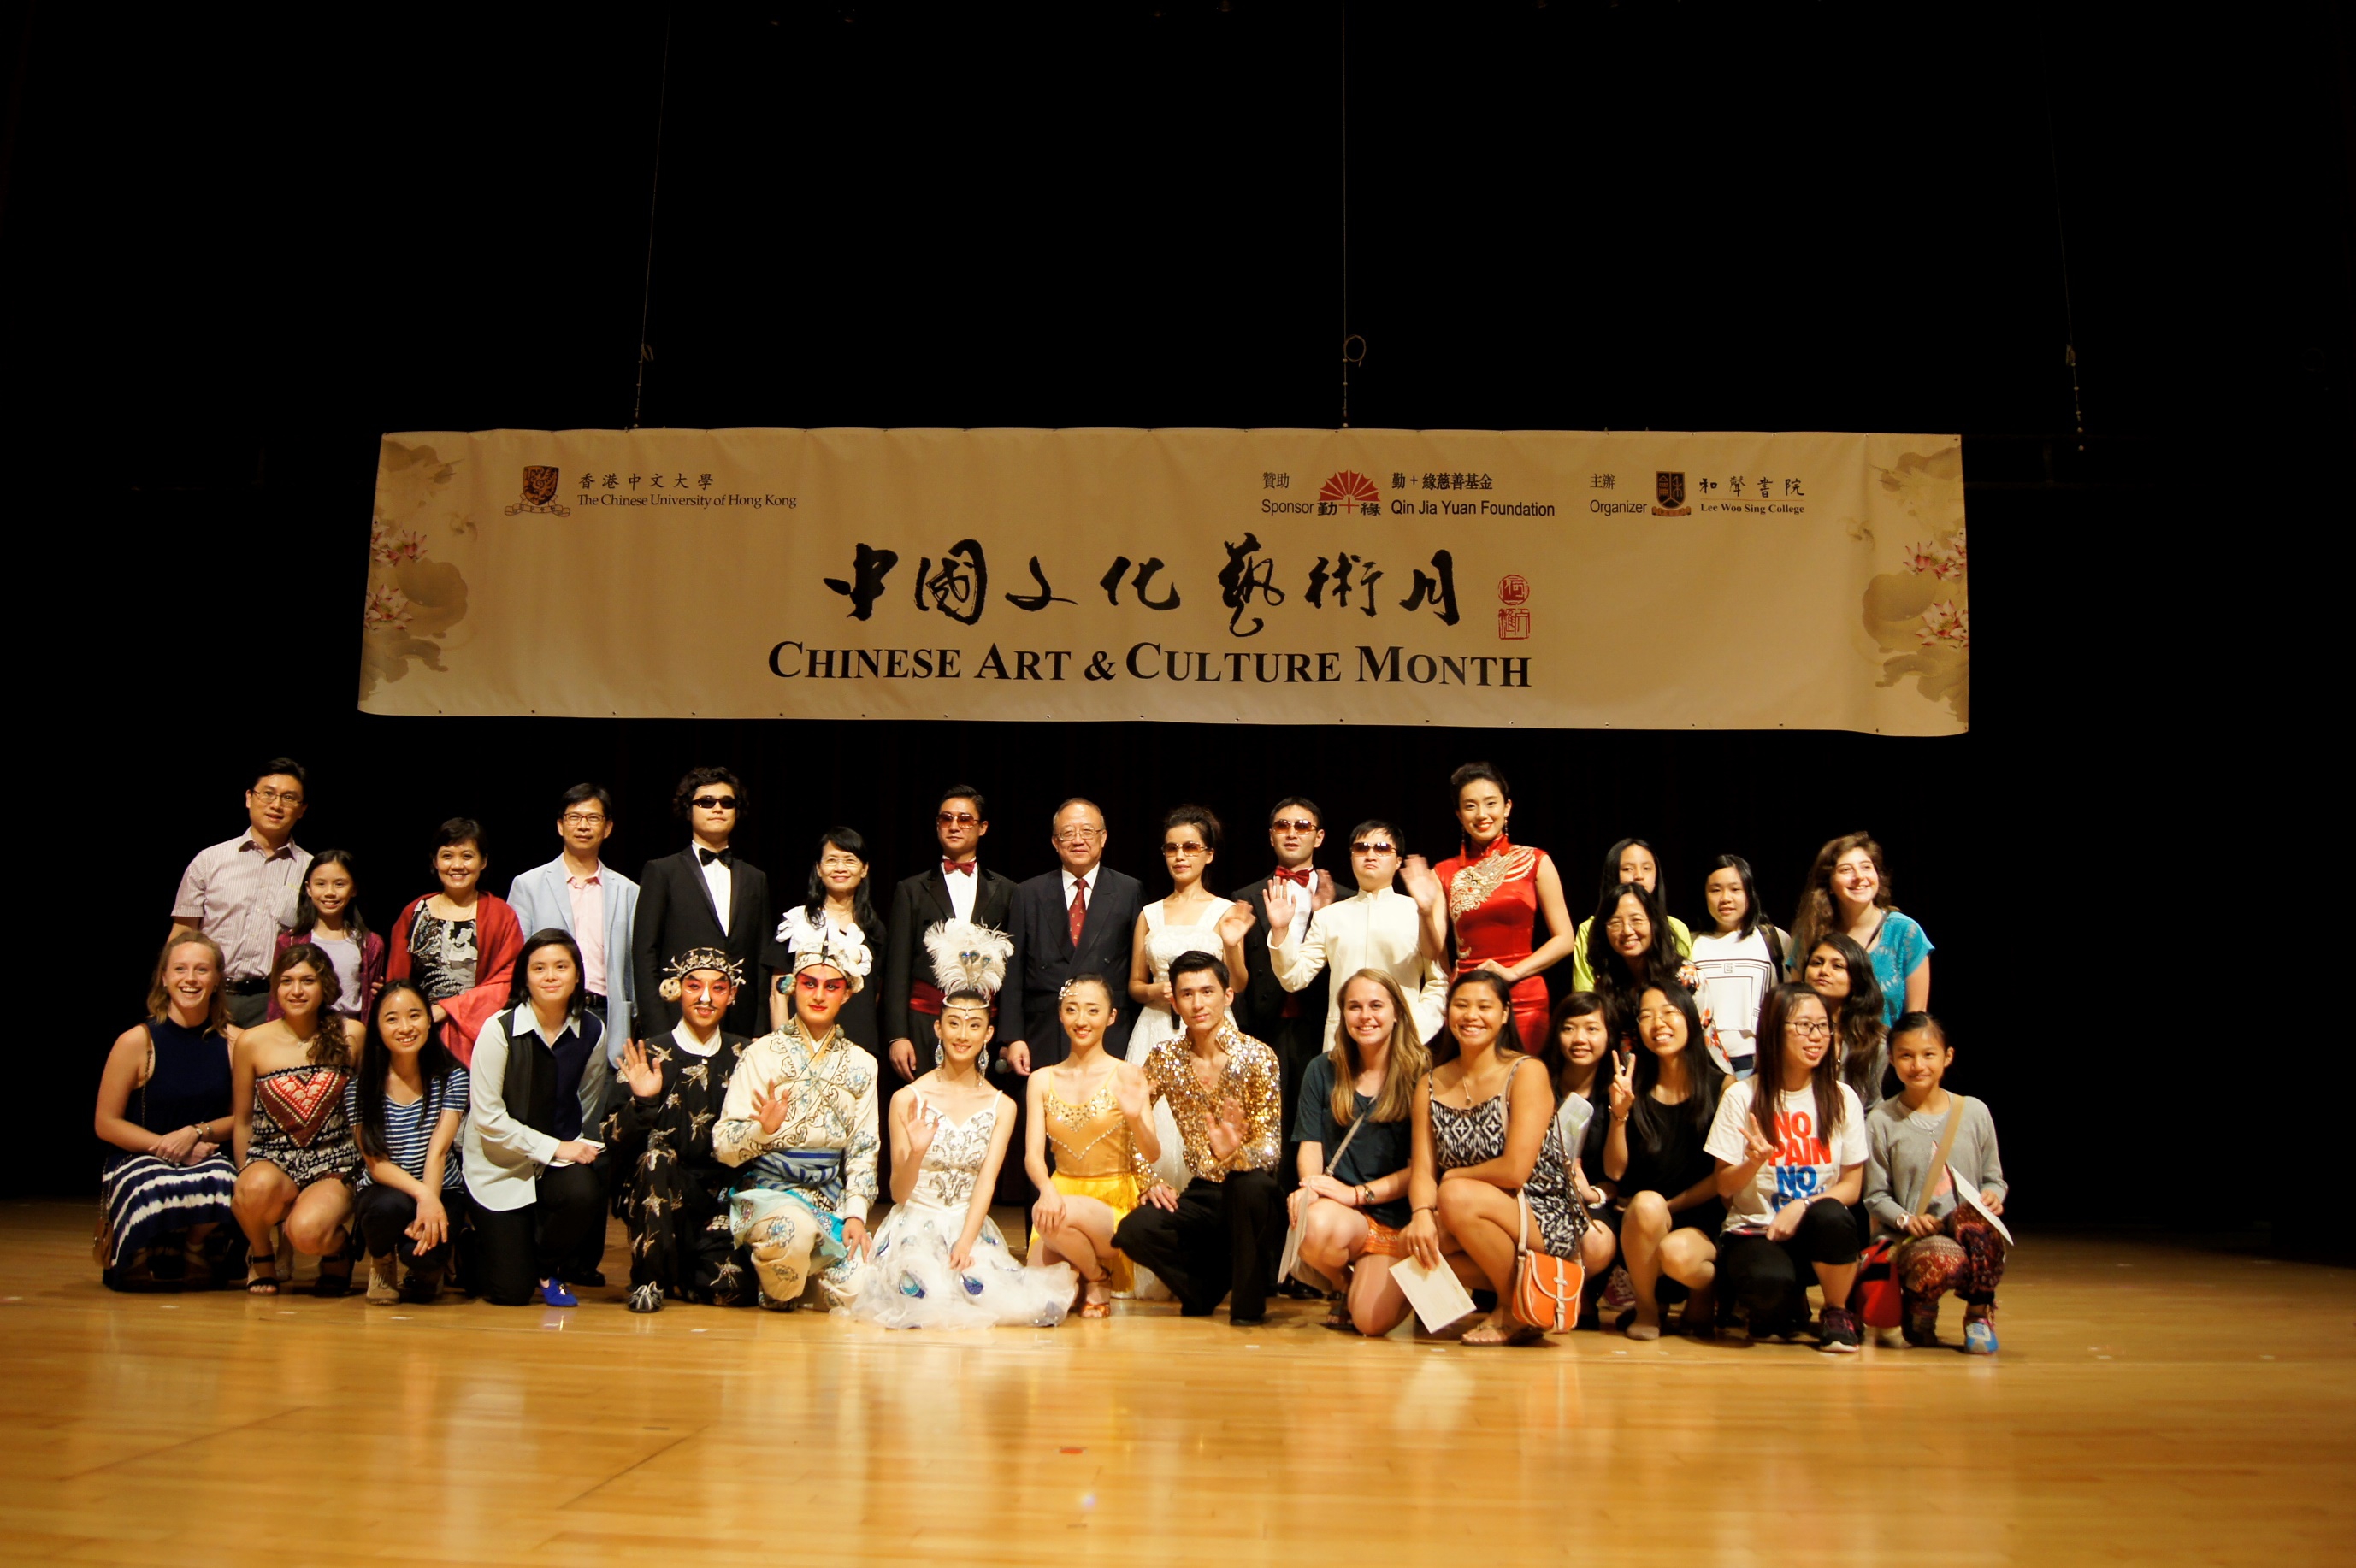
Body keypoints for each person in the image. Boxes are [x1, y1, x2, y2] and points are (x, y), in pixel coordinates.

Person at [850, 923, 1078, 1328]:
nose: (963, 1034)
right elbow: (898, 1191)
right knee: (925, 1290)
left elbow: (987, 1181)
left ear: (989, 1034)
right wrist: (915, 1154)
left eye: (974, 1025)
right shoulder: (907, 1099)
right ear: (938, 1028)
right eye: (954, 1023)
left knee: (985, 1288)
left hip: (969, 1223)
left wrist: (967, 1240)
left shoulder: (1002, 1105)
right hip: (913, 1226)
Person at [1402, 970, 1587, 1346]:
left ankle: (1514, 1308)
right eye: (1461, 1005)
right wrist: (1421, 1214)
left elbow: (1515, 1171)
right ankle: (1531, 1293)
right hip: (1474, 1211)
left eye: (1485, 1007)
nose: (1472, 1015)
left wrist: (1454, 1179)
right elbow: (1422, 1171)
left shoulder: (1526, 1071)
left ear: (1504, 1015)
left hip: (1541, 1210)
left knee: (1454, 1196)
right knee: (1416, 1244)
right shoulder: (1431, 1083)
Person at [715, 911, 879, 1310]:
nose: (819, 995)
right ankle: (782, 1284)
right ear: (792, 988)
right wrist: (761, 1131)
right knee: (795, 1233)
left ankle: (799, 1278)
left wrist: (856, 1214)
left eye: (830, 986)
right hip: (771, 1195)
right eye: (809, 984)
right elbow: (722, 1146)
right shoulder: (762, 1054)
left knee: (862, 1290)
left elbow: (863, 1149)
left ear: (847, 993)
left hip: (829, 1199)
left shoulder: (862, 1064)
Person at [1114, 952, 1287, 1324]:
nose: (1198, 1003)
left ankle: (1247, 1309)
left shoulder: (1258, 1056)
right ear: (1174, 1002)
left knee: (1249, 1189)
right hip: (1204, 1191)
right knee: (1134, 1230)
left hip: (1253, 1190)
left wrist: (1230, 1155)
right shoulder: (1164, 1057)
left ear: (1227, 996)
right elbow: (1133, 1122)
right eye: (1187, 994)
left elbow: (1270, 1149)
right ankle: (1204, 1287)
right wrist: (1147, 1180)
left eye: (1207, 991)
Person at [1705, 981, 1869, 1352]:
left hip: (1815, 1232)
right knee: (1768, 1292)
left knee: (1831, 1213)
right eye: (1803, 1026)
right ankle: (1784, 1299)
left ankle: (1836, 1311)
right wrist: (1754, 1161)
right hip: (1756, 1231)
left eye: (1823, 1026)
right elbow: (1725, 1187)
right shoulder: (1742, 1096)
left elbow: (1852, 1184)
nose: (1816, 1036)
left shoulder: (1842, 1098)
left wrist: (1804, 1205)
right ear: (1774, 1031)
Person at [461, 931, 614, 1307]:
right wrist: (555, 1146)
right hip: (500, 1163)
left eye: (561, 967)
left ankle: (546, 1266)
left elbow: (589, 1097)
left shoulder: (593, 1029)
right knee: (509, 1293)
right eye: (539, 968)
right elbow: (487, 1119)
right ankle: (472, 1244)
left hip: (554, 1160)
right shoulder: (499, 1030)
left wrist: (568, 1146)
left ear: (578, 975)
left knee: (586, 1187)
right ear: (524, 977)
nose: (550, 976)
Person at [602, 947, 756, 1312]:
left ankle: (678, 1271)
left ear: (732, 995)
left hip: (718, 1198)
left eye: (718, 988)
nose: (705, 998)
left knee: (735, 1290)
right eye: (694, 986)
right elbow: (611, 1136)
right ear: (677, 990)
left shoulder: (746, 1054)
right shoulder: (649, 1052)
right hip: (657, 1191)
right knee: (656, 1159)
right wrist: (642, 1104)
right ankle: (650, 1278)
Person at [93, 933, 243, 1290]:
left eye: (201, 970)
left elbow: (243, 1117)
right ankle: (136, 1252)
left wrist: (196, 1134)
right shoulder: (137, 1041)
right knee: (146, 1183)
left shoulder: (235, 1042)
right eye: (180, 969)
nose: (190, 979)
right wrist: (169, 1146)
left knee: (228, 1181)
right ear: (164, 977)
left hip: (204, 1152)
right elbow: (106, 1123)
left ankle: (196, 1249)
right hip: (139, 1153)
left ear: (217, 979)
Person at [1289, 970, 1428, 1336]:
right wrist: (1310, 1188)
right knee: (1310, 1222)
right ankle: (1343, 1284)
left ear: (1397, 1012)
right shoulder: (1322, 1069)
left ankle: (1399, 1282)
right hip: (1343, 1213)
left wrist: (1358, 1194)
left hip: (1397, 1216)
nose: (1365, 1016)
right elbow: (1311, 1145)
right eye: (1354, 1007)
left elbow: (1423, 1171)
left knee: (1368, 1323)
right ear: (1343, 1014)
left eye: (1376, 1005)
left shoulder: (1423, 1074)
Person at [1125, 805, 1255, 1193]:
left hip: (1209, 1031)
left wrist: (1231, 947)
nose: (1180, 856)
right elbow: (1135, 983)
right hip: (1156, 1028)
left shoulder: (1224, 911)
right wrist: (1155, 992)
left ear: (1208, 854)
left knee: (1209, 1126)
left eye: (1190, 848)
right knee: (1153, 1126)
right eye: (1171, 849)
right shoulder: (1149, 913)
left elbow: (1241, 983)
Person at [1411, 763, 1579, 1051]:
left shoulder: (1536, 861)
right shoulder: (1443, 872)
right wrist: (1425, 912)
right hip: (1468, 998)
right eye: (1470, 806)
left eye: (1491, 803)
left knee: (1523, 1083)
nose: (1482, 814)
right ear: (1459, 815)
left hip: (1524, 995)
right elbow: (1431, 950)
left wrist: (1514, 972)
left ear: (1507, 807)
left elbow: (1565, 940)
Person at [1865, 1013, 2008, 1353]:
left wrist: (1994, 1195)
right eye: (1906, 1055)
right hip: (1916, 1236)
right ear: (1892, 1060)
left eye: (1928, 1054)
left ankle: (1978, 1315)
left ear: (1947, 1057)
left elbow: (1994, 1178)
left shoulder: (1974, 1112)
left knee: (1981, 1222)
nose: (1918, 1065)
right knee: (1941, 1259)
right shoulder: (1881, 1120)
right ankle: (1920, 1308)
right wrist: (1906, 1219)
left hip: (1968, 1231)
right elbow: (1875, 1195)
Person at [231, 942, 366, 1295]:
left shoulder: (352, 1034)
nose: (296, 990)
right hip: (272, 1157)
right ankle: (261, 1255)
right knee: (251, 1190)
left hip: (334, 1162)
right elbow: (243, 1118)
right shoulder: (251, 1042)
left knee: (305, 1231)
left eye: (307, 981)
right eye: (287, 981)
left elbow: (365, 1110)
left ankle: (337, 1251)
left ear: (325, 986)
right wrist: (246, 1173)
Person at [1024, 974, 1160, 1318]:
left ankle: (1098, 1278)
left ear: (1111, 1017)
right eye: (1072, 1010)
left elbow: (1153, 1153)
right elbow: (1033, 1156)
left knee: (1055, 1218)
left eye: (1092, 1011)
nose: (1081, 1021)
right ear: (1060, 1015)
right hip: (1058, 1198)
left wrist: (1135, 1118)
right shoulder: (1042, 1079)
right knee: (1042, 1304)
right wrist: (1046, 1190)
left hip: (1112, 1202)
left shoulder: (1128, 1074)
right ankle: (1090, 1273)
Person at [1266, 819, 1448, 1067]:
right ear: (1351, 858)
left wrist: (1415, 1027)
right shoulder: (1329, 916)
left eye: (1382, 848)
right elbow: (1293, 977)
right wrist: (1280, 930)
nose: (1370, 854)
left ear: (1397, 862)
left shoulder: (1417, 911)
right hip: (1343, 1045)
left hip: (1403, 1047)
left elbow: (1439, 982)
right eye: (1361, 848)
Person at [1601, 984, 1727, 1338]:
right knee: (1646, 1205)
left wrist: (1670, 1206)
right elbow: (1614, 1170)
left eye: (1669, 1012)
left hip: (1701, 1220)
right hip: (1643, 1225)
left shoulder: (1724, 1087)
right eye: (1646, 1016)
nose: (1658, 1023)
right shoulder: (1630, 1086)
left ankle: (1704, 1290)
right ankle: (1646, 1309)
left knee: (1673, 1246)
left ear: (1690, 1018)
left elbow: (1722, 1177)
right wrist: (1619, 1115)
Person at [1229, 798, 1337, 1189]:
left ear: (1319, 836)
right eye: (1282, 825)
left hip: (1320, 1028)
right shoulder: (1246, 894)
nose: (1292, 832)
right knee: (1265, 1136)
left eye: (1303, 826)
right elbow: (1238, 975)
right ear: (1270, 835)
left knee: (1316, 1130)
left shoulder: (1340, 895)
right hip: (1264, 1029)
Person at [880, 786, 1020, 1083]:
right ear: (937, 825)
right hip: (923, 1022)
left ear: (982, 828)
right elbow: (896, 969)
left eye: (965, 819)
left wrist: (1008, 1038)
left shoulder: (1008, 891)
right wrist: (897, 1036)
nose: (954, 826)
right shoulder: (911, 890)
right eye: (946, 819)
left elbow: (1014, 974)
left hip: (984, 1025)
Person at [345, 981, 468, 1304]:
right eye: (392, 1019)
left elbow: (439, 1149)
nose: (405, 1027)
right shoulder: (360, 1087)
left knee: (424, 1254)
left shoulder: (452, 1076)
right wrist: (422, 1195)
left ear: (429, 1019)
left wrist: (431, 1199)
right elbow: (375, 1162)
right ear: (377, 1027)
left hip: (441, 1184)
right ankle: (382, 1260)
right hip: (388, 1189)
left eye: (414, 1016)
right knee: (390, 1206)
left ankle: (428, 1267)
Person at [169, 758, 313, 1029]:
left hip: (273, 1002)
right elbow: (182, 934)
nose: (276, 805)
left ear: (302, 809)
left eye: (289, 798)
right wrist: (167, 992)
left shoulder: (312, 871)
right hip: (208, 995)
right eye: (268, 794)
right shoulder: (209, 860)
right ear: (249, 798)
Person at [633, 767, 773, 1040]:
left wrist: (759, 1030)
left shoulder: (756, 879)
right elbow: (644, 953)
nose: (717, 808)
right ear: (689, 809)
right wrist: (658, 1029)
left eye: (727, 802)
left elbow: (761, 959)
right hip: (676, 1021)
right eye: (706, 802)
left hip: (739, 1026)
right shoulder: (662, 872)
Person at [506, 783, 641, 1046]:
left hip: (606, 1016)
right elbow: (515, 958)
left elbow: (633, 967)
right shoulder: (527, 885)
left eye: (593, 818)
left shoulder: (629, 891)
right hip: (545, 1014)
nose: (583, 826)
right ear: (560, 825)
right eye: (574, 817)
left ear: (608, 828)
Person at [387, 818, 525, 1067]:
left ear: (483, 862)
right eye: (447, 856)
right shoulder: (415, 913)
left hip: (478, 1038)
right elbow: (397, 982)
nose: (457, 865)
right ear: (435, 862)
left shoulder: (501, 915)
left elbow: (509, 980)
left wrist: (449, 1009)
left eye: (467, 856)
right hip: (418, 1035)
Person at [1790, 831, 1932, 1026]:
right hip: (1822, 1052)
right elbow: (1795, 1007)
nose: (1859, 877)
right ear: (1829, 884)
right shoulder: (1810, 932)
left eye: (1866, 867)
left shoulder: (1905, 932)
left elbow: (1916, 1020)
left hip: (1885, 1054)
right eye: (1846, 870)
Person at [1533, 992, 1621, 1303]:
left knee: (1597, 1240)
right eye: (1568, 1028)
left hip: (1595, 1200)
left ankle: (1571, 1297)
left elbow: (1620, 1175)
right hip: (1533, 1194)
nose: (1579, 1038)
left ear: (1609, 1034)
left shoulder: (1618, 1090)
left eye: (1592, 1029)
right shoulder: (1536, 1081)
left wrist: (1593, 1193)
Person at [768, 829, 886, 1052]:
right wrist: (784, 1050)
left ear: (864, 869)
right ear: (818, 869)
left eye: (850, 860)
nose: (840, 868)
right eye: (832, 860)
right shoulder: (797, 923)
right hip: (802, 1045)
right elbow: (778, 993)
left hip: (858, 1048)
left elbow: (876, 994)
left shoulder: (875, 930)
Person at [1686, 854, 1786, 1079]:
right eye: (1715, 890)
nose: (1725, 898)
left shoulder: (1774, 939)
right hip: (1705, 1069)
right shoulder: (1691, 943)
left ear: (1750, 893)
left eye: (1735, 889)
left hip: (1761, 1066)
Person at [267, 850, 383, 1024]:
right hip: (301, 1032)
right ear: (309, 889)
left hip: (350, 1034)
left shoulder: (370, 944)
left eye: (339, 884)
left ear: (354, 889)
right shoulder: (289, 942)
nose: (330, 892)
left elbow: (371, 1003)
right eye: (321, 884)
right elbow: (277, 1000)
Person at [1568, 839, 1696, 992]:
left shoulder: (1675, 927)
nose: (1639, 876)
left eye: (1647, 868)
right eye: (1628, 869)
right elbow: (1585, 996)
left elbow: (1686, 989)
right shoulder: (1590, 929)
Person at [1585, 881, 1693, 1046]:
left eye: (1636, 920)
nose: (1627, 931)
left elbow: (1703, 1045)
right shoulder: (1606, 983)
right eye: (1615, 923)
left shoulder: (1687, 977)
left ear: (1654, 923)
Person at [1803, 934, 1892, 1108]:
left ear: (1856, 978)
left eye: (1837, 966)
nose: (1824, 971)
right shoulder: (1786, 1028)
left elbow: (1875, 1108)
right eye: (1817, 963)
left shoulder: (1876, 1039)